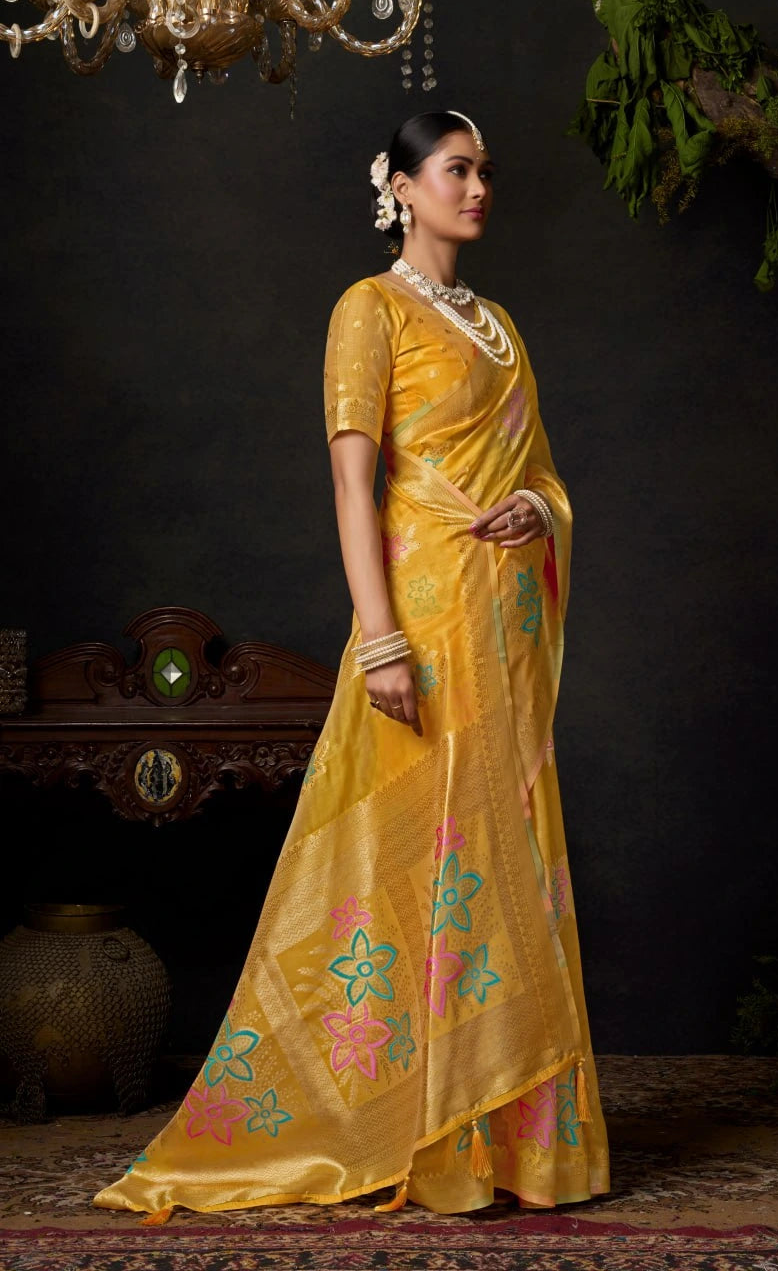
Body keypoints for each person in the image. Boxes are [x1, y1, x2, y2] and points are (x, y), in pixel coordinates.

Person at [92, 109, 611, 1222]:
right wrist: (377, 636)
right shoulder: (366, 310)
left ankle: (505, 1138)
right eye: (457, 170)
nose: (478, 189)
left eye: (484, 171)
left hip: (503, 627)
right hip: (421, 616)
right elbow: (353, 484)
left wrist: (534, 504)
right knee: (409, 858)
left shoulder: (501, 326)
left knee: (499, 855)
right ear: (402, 187)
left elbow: (545, 473)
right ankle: (419, 1130)